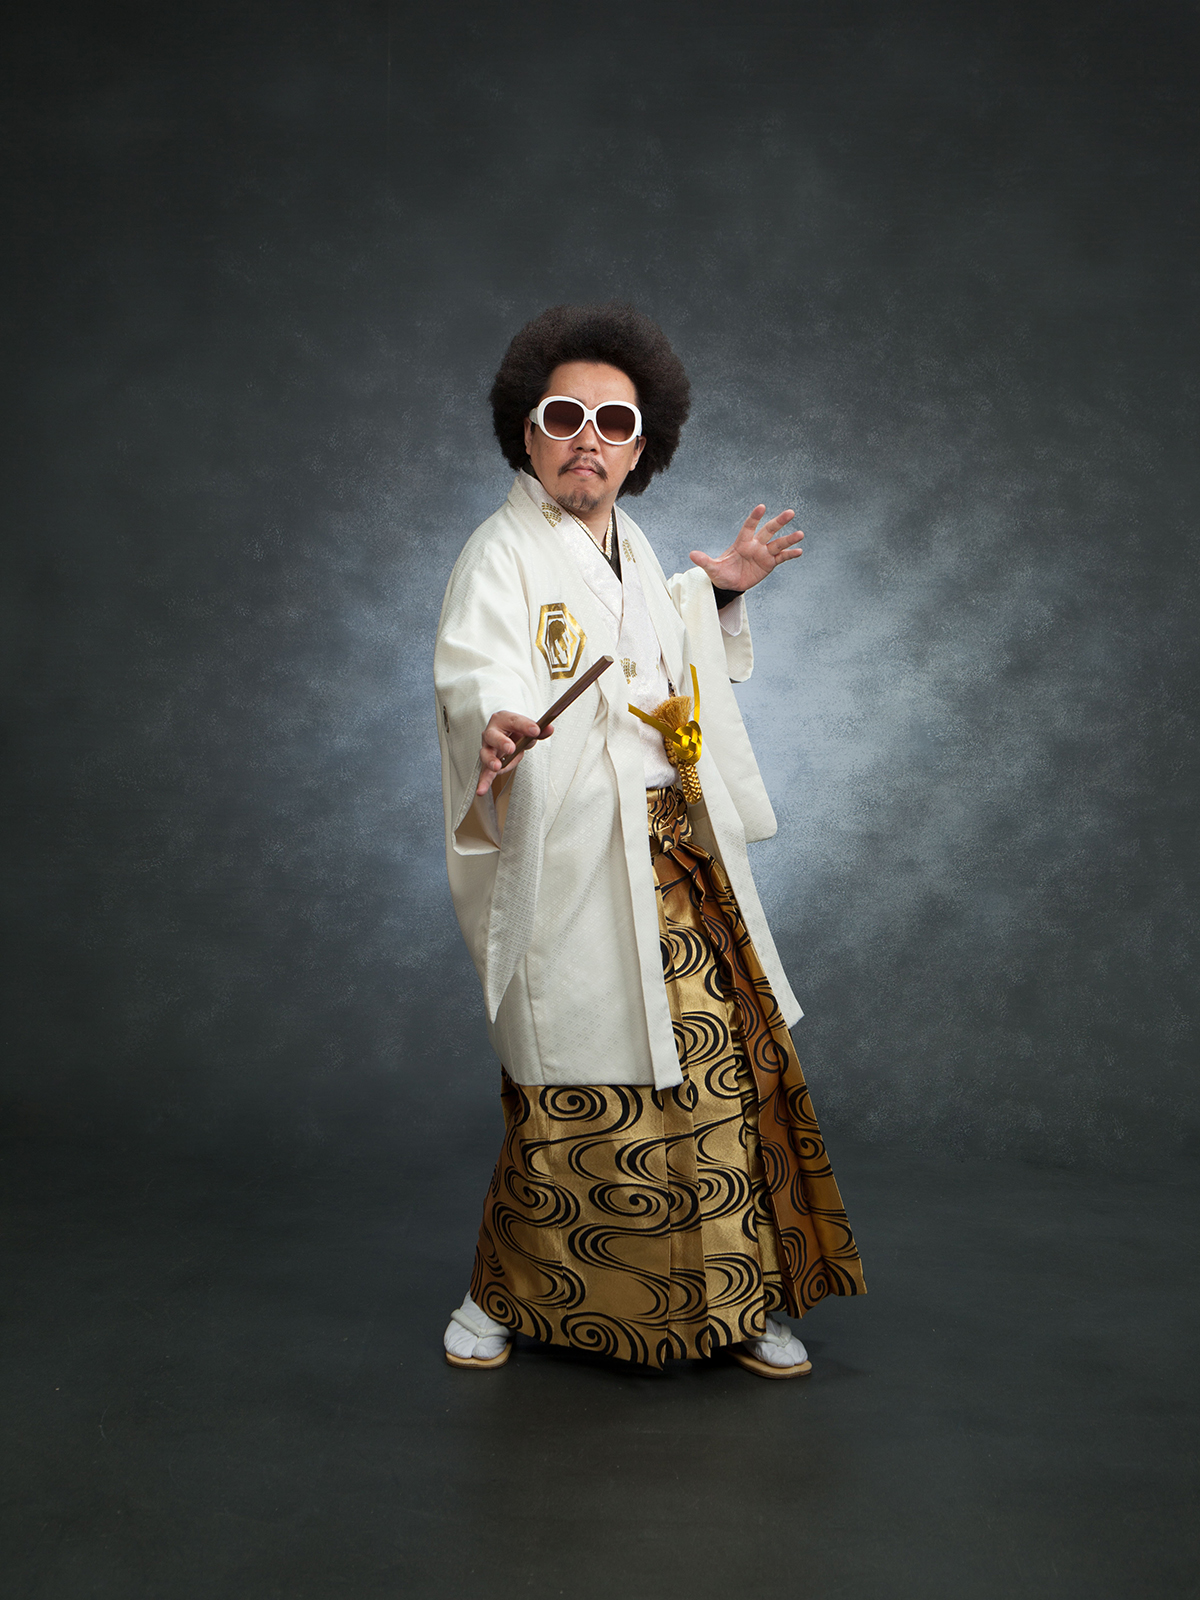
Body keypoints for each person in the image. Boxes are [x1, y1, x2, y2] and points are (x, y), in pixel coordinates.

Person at [434, 303, 864, 1376]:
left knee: (722, 1075)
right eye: (565, 416)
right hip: (576, 865)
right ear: (526, 431)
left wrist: (713, 592)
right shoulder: (498, 555)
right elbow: (475, 669)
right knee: (571, 1091)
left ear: (641, 447)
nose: (588, 440)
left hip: (673, 862)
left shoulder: (632, 548)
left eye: (614, 423)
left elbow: (660, 645)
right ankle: (502, 1294)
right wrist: (494, 721)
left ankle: (737, 1299)